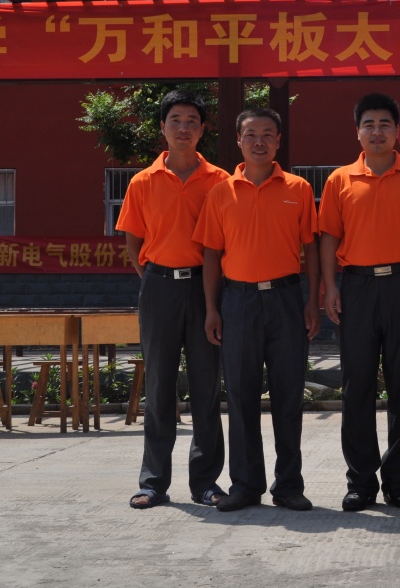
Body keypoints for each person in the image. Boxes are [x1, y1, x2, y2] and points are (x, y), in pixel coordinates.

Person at [193, 107, 321, 512]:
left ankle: (289, 486)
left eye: (268, 134)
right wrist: (212, 308)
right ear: (238, 140)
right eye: (251, 134)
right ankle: (246, 485)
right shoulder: (220, 193)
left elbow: (311, 249)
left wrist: (312, 300)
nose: (259, 141)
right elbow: (211, 255)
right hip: (238, 301)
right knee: (241, 396)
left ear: (279, 141)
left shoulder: (299, 188)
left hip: (286, 299)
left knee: (288, 394)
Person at [319, 93, 400, 511]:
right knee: (357, 388)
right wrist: (330, 287)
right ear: (357, 132)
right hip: (356, 286)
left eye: (384, 124)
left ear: (396, 130)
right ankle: (360, 482)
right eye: (368, 124)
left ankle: (398, 481)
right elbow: (329, 237)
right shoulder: (340, 180)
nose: (376, 132)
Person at [117, 88, 229, 510]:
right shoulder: (142, 181)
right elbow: (133, 244)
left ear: (202, 130)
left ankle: (205, 483)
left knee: (206, 385)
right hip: (159, 287)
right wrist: (157, 279)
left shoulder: (220, 181)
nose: (183, 128)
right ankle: (153, 483)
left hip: (206, 288)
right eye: (175, 121)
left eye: (191, 122)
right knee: (160, 386)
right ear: (162, 128)